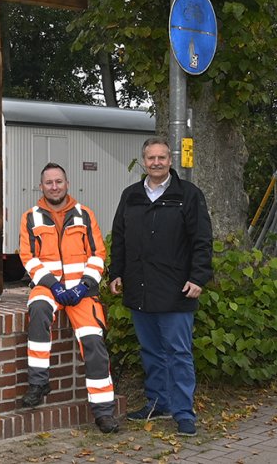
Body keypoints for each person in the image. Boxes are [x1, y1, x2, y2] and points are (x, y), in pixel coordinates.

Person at [108, 136, 213, 437]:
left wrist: (198, 277)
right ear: (143, 161)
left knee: (178, 353)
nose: (156, 162)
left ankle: (183, 413)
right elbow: (120, 237)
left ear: (170, 160)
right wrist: (116, 272)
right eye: (151, 158)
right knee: (151, 351)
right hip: (140, 289)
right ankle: (158, 403)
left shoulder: (188, 195)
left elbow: (202, 241)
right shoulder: (131, 196)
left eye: (162, 158)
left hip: (177, 289)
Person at [18, 163, 120, 434]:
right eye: (49, 182)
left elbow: (98, 254)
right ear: (41, 186)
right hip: (48, 288)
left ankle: (103, 411)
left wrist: (84, 286)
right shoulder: (31, 217)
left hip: (82, 291)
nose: (54, 186)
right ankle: (39, 383)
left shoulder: (85, 215)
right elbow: (28, 258)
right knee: (38, 310)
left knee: (93, 341)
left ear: (67, 183)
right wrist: (54, 285)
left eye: (58, 181)